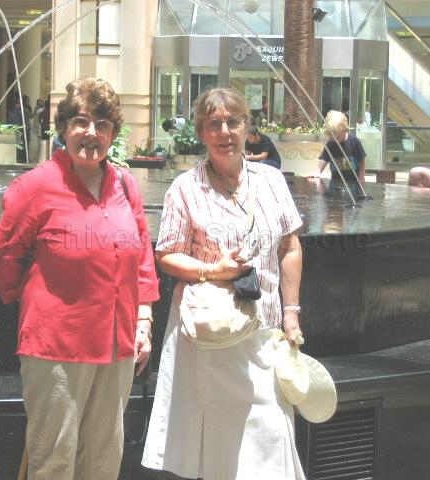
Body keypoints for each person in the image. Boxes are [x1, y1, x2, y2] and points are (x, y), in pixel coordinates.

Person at [0, 77, 159, 480]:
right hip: (57, 347)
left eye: (102, 124)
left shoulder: (126, 185)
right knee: (54, 459)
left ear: (113, 134)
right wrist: (34, 302)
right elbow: (5, 258)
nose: (91, 133)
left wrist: (144, 319)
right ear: (64, 127)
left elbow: (142, 258)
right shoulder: (33, 187)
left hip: (117, 345)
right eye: (81, 121)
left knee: (103, 459)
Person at [141, 87, 305, 479]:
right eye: (214, 123)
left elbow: (290, 246)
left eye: (233, 121)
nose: (224, 131)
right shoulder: (184, 188)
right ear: (201, 132)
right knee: (214, 448)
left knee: (267, 439)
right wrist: (214, 271)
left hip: (263, 332)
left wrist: (292, 313)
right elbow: (166, 256)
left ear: (248, 128)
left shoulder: (271, 181)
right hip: (209, 337)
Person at [314, 110, 366, 185]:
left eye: (337, 137)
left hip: (353, 181)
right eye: (332, 137)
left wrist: (362, 176)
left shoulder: (354, 142)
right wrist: (317, 172)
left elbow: (362, 160)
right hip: (335, 181)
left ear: (345, 130)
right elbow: (324, 160)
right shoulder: (330, 144)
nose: (335, 140)